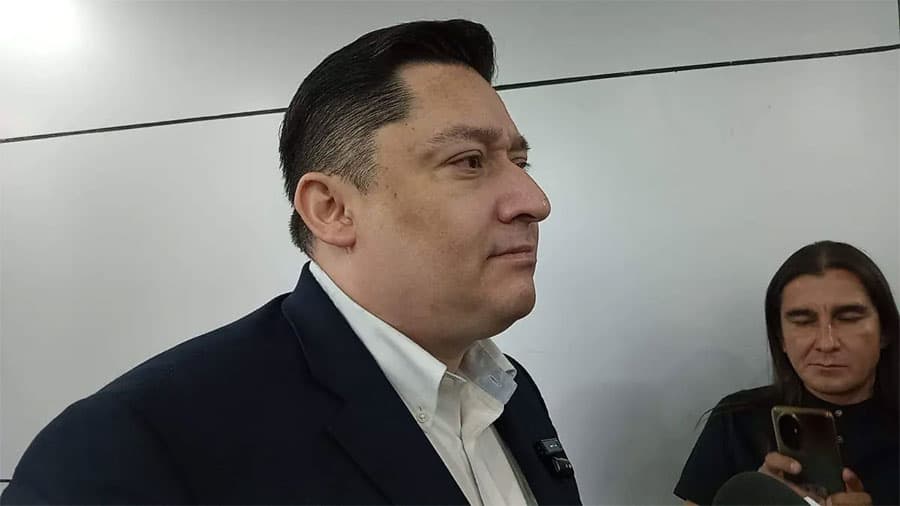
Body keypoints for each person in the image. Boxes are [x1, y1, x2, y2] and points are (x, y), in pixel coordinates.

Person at [1, 20, 581, 506]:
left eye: (519, 161)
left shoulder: (506, 391)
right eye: (469, 161)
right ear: (331, 210)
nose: (534, 200)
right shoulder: (134, 445)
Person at [675, 241, 899, 506]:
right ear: (780, 337)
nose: (827, 343)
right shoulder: (735, 421)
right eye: (803, 322)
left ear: (884, 331)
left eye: (849, 318)